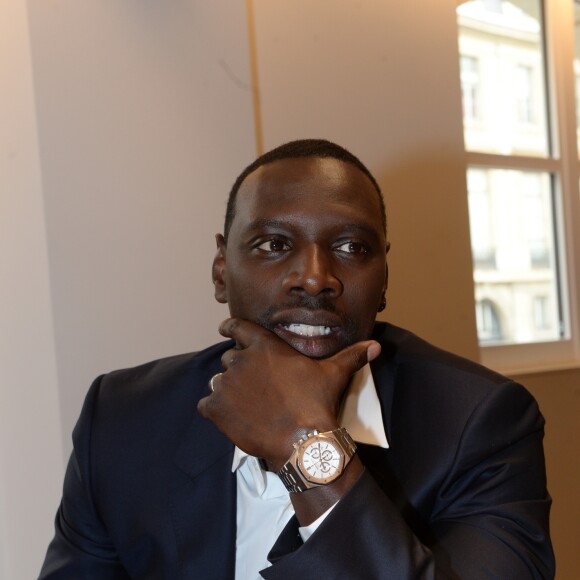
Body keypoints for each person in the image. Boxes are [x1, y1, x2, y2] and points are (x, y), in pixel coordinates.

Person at [40, 139, 555, 579]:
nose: (315, 277)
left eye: (352, 247)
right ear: (221, 271)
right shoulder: (124, 418)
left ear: (383, 279)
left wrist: (305, 448)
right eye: (273, 244)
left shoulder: (480, 424)